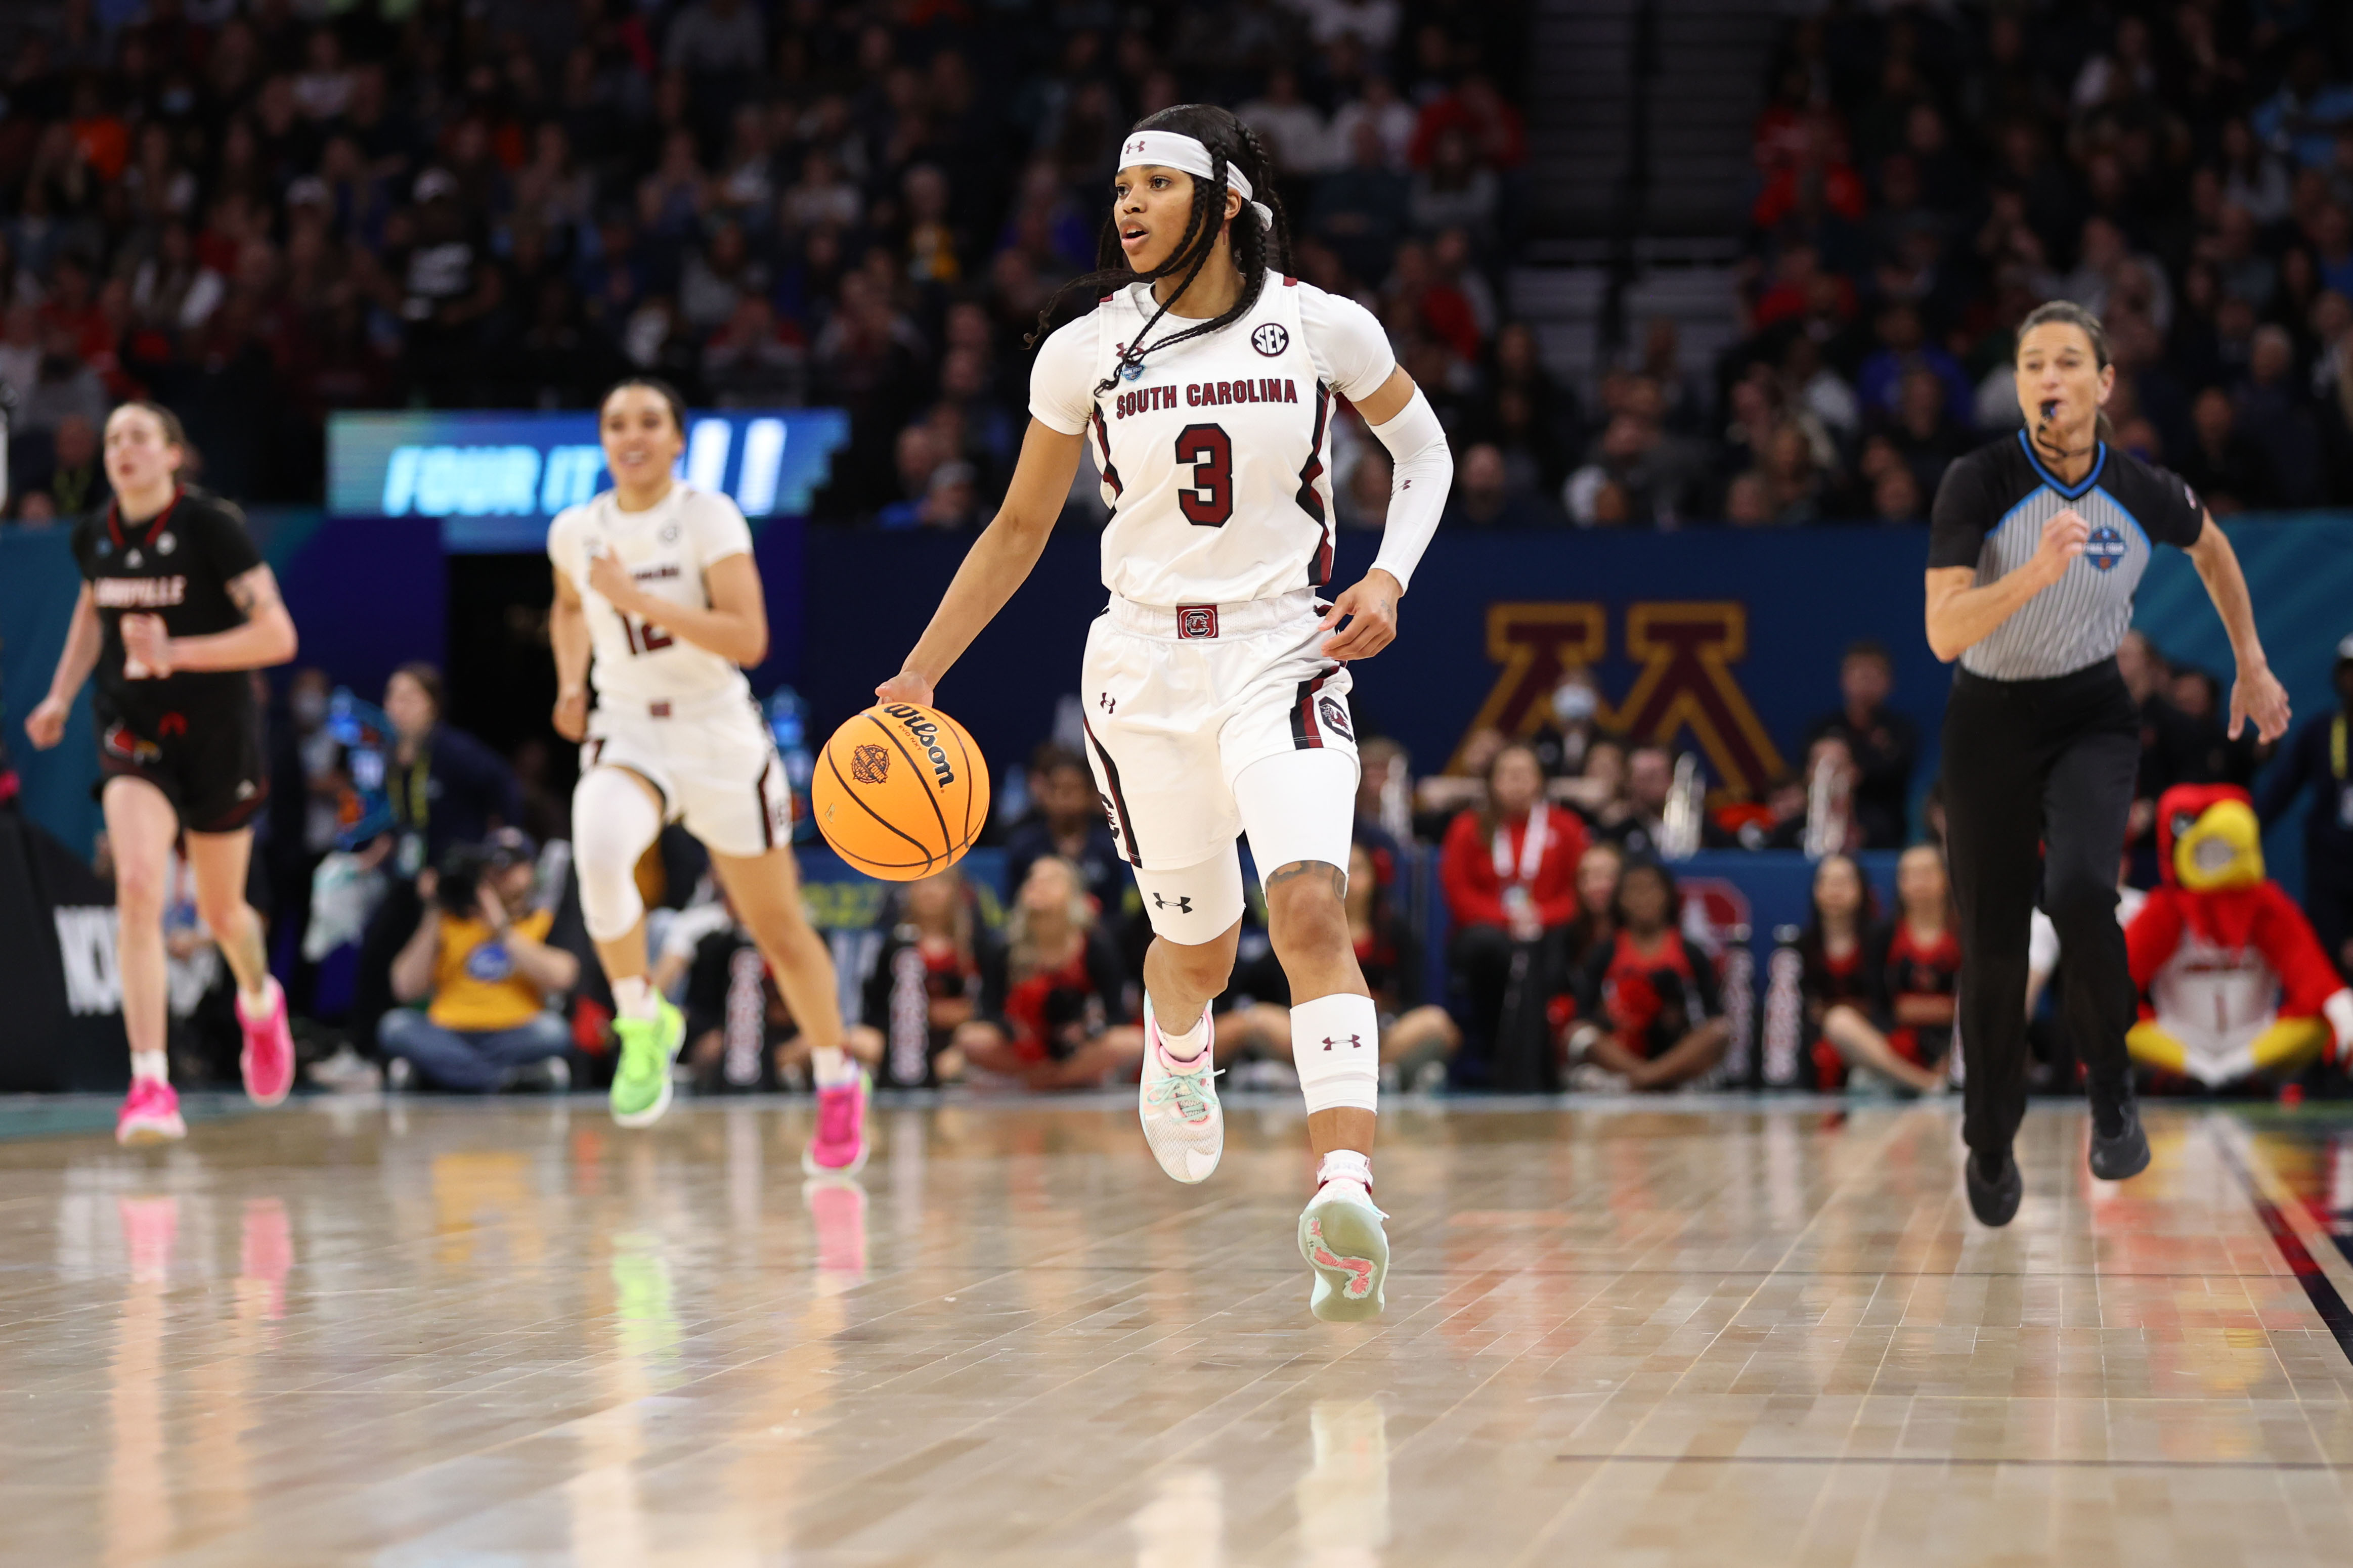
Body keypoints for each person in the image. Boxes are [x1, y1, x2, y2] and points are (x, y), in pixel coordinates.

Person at [874, 105, 1450, 1319]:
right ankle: (1174, 1032)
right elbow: (1020, 528)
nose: (1125, 206)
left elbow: (1426, 454)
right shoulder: (1083, 350)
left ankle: (1343, 1187)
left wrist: (1388, 576)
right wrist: (922, 670)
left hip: (1283, 654)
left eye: (1155, 185)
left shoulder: (1320, 324)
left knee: (1306, 905)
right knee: (1193, 948)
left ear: (1224, 204)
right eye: (1119, 186)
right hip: (1139, 672)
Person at [1925, 299, 2291, 1227]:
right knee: (1997, 943)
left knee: (2085, 890)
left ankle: (2112, 1092)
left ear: (2103, 383)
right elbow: (1940, 632)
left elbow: (2211, 551)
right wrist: (2032, 576)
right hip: (1988, 718)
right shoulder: (1976, 480)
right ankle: (1989, 1132)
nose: (2046, 379)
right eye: (2031, 365)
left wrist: (2249, 659)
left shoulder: (2139, 488)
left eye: (2064, 363)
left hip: (2090, 711)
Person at [549, 376, 858, 1171]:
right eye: (616, 422)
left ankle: (834, 1076)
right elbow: (568, 607)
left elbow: (748, 637)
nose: (633, 435)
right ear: (604, 439)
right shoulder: (575, 530)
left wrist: (633, 599)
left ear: (677, 438)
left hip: (717, 736)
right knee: (598, 851)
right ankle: (640, 1017)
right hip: (628, 731)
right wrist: (569, 682)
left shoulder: (705, 516)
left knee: (778, 930)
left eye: (650, 420)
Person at [24, 401, 300, 1144]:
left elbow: (278, 635)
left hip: (215, 736)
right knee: (139, 889)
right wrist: (59, 694)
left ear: (175, 454)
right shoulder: (95, 535)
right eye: (113, 438)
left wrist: (179, 651)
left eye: (140, 436)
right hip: (131, 732)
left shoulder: (212, 526)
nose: (123, 449)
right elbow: (92, 613)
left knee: (223, 914)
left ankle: (258, 1001)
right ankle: (150, 1083)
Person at [1438, 740, 1590, 1082]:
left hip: (1548, 929)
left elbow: (1578, 890)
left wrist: (1541, 917)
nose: (1517, 783)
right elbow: (1459, 894)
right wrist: (1509, 919)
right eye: (1508, 774)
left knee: (1550, 950)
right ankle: (1496, 1054)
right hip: (1486, 935)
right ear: (1492, 781)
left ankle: (1539, 1064)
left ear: (1540, 780)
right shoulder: (1468, 827)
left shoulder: (1565, 826)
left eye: (1525, 774)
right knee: (1491, 947)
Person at [381, 829, 578, 1092]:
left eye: (511, 866)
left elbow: (563, 977)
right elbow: (404, 988)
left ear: (531, 872)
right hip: (448, 1030)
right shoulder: (450, 921)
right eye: (493, 866)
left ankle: (444, 1075)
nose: (500, 874)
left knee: (554, 1032)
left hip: (514, 1031)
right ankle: (505, 1079)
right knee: (395, 1026)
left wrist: (502, 929)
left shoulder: (539, 921)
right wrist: (433, 912)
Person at [951, 857, 1144, 1088]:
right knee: (971, 1038)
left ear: (1074, 894)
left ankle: (1051, 1079)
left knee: (1131, 1041)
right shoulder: (1004, 946)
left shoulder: (1095, 944)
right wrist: (1015, 1032)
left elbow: (1117, 1015)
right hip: (1022, 1045)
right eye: (1032, 878)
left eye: (1051, 880)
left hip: (1078, 1046)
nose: (1038, 884)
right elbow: (988, 1011)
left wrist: (1087, 1031)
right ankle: (1054, 1077)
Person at [1565, 860, 1730, 1092]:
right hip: (1621, 1053)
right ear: (1620, 899)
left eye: (1652, 888)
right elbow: (1584, 1015)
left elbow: (1713, 1015)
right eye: (1633, 890)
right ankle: (1653, 1079)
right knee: (1578, 1034)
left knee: (1719, 1031)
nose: (1643, 898)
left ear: (1668, 894)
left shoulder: (1690, 951)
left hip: (1676, 1052)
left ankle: (1645, 1080)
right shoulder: (1605, 951)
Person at [1810, 847, 1959, 1094]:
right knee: (1840, 1022)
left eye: (1927, 873)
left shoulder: (1963, 936)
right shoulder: (1883, 937)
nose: (1919, 882)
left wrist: (1944, 1019)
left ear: (1945, 878)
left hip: (1954, 1044)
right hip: (1898, 1044)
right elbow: (1878, 1004)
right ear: (1900, 882)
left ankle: (1946, 1078)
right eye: (1911, 874)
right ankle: (1927, 1084)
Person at [2255, 635, 2353, 979]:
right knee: (2326, 956)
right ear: (2339, 677)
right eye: (2350, 672)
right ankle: (2332, 1033)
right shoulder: (2320, 731)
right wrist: (2246, 831)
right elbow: (2280, 793)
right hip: (2329, 863)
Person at [849, 868, 995, 1088]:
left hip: (955, 1044)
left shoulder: (975, 947)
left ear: (956, 892)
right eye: (922, 884)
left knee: (976, 1040)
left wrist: (963, 1015)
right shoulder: (895, 945)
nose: (930, 892)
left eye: (939, 884)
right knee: (858, 1039)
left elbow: (990, 1006)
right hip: (902, 1041)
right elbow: (875, 1009)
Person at [1804, 640, 1918, 848]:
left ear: (1889, 682)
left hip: (1883, 833)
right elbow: (1808, 775)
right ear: (1843, 679)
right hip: (1823, 825)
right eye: (1858, 674)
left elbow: (1895, 770)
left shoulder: (1902, 731)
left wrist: (1855, 771)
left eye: (1873, 675)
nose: (1865, 682)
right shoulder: (1823, 729)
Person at [1001, 746, 1126, 921]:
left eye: (1073, 789)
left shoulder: (1111, 848)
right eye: (1058, 789)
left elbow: (1115, 915)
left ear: (1090, 794)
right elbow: (1012, 910)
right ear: (1045, 794)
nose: (1065, 798)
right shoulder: (1023, 846)